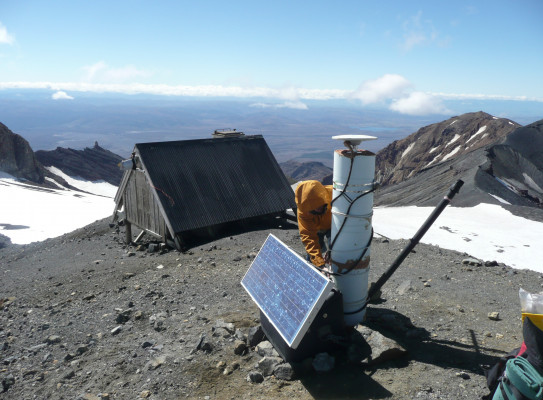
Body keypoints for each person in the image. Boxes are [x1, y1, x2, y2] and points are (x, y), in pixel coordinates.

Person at [294, 180, 333, 267]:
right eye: (313, 209)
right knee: (314, 253)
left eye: (319, 206)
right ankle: (313, 270)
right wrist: (320, 265)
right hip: (315, 229)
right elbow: (309, 237)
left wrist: (332, 250)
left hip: (334, 227)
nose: (317, 209)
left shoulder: (336, 195)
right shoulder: (303, 210)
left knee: (337, 252)